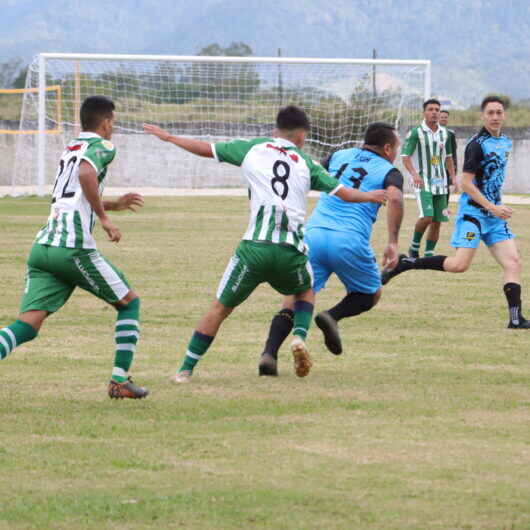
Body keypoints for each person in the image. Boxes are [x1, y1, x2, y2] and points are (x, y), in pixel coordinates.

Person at [143, 106, 387, 382]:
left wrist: (170, 138)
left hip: (254, 248)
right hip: (290, 251)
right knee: (305, 292)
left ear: (275, 130)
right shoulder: (307, 163)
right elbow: (343, 193)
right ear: (303, 136)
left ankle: (185, 370)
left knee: (219, 309)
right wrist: (370, 197)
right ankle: (299, 337)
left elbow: (204, 148)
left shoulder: (253, 148)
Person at [0, 96, 149, 398]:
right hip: (72, 247)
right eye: (114, 123)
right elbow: (85, 174)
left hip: (43, 247)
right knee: (129, 303)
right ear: (106, 122)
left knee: (28, 324)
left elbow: (74, 196)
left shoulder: (70, 147)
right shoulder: (103, 147)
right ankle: (119, 382)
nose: (113, 129)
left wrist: (112, 205)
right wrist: (105, 218)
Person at [258, 122, 404, 376]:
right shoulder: (390, 170)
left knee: (295, 298)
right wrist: (392, 241)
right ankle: (332, 316)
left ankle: (269, 354)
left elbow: (304, 175)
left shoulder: (339, 156)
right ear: (388, 147)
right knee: (371, 293)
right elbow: (396, 198)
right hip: (349, 240)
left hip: (313, 235)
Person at [382, 95, 530, 329]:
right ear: (483, 116)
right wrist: (491, 206)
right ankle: (408, 263)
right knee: (459, 265)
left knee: (513, 263)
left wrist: (495, 207)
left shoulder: (506, 142)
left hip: (494, 217)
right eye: (490, 113)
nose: (495, 117)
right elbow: (467, 183)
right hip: (473, 215)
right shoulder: (476, 145)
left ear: (504, 115)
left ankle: (515, 318)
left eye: (499, 112)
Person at [402, 99, 456, 258]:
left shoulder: (445, 133)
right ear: (424, 112)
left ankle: (429, 254)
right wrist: (414, 174)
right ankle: (414, 247)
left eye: (437, 110)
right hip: (423, 180)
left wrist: (453, 177)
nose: (434, 112)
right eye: (431, 109)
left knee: (437, 220)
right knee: (427, 216)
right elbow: (405, 157)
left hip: (441, 182)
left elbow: (448, 158)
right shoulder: (415, 132)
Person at [440, 109, 458, 206]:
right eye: (441, 117)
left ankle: (444, 208)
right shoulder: (431, 133)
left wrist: (454, 167)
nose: (443, 119)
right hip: (435, 165)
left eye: (445, 117)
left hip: (447, 166)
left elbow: (453, 152)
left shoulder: (450, 134)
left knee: (446, 187)